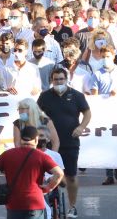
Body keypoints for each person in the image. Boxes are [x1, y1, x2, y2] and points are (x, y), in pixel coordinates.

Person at [37, 67, 91, 217]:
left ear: (66, 79)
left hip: (70, 141)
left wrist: (81, 127)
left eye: (61, 79)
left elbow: (87, 113)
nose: (59, 82)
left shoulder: (77, 95)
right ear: (51, 81)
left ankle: (72, 206)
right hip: (48, 143)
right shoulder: (45, 96)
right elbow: (37, 115)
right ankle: (44, 203)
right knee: (45, 175)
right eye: (56, 79)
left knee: (71, 176)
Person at [0, 125, 65, 219]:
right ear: (36, 140)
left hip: (13, 204)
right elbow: (59, 173)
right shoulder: (41, 156)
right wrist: (48, 188)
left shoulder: (8, 154)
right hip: (35, 205)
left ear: (21, 139)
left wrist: (0, 186)